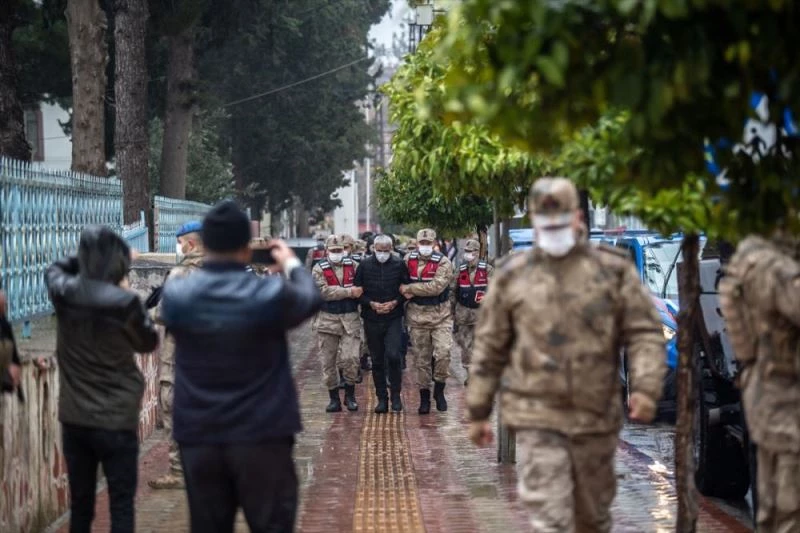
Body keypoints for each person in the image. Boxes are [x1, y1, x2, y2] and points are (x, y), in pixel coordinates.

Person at [466, 177, 666, 533]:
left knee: (592, 511)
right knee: (551, 511)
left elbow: (645, 332)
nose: (554, 227)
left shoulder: (612, 269)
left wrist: (646, 387)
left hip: (594, 412)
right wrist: (479, 409)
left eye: (561, 219)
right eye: (546, 220)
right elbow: (490, 343)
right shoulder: (514, 274)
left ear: (577, 218)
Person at [161, 201, 321, 533]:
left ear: (204, 245)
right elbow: (310, 298)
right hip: (262, 435)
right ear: (247, 249)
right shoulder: (269, 293)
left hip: (200, 436)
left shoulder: (178, 295)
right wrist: (291, 263)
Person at [45, 226, 160, 533]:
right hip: (117, 419)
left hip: (76, 418)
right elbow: (148, 342)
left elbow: (54, 268)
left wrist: (87, 258)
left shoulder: (64, 292)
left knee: (81, 505)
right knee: (121, 503)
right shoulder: (125, 302)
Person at [719, 232, 800, 533]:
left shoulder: (741, 271)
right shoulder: (777, 273)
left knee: (771, 499)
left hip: (764, 393)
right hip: (784, 397)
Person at [148, 220, 204, 490]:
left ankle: (179, 472)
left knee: (174, 410)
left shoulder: (182, 273)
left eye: (180, 243)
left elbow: (164, 313)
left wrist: (148, 309)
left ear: (190, 244)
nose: (179, 247)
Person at [354, 234, 410, 413]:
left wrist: (395, 302)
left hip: (393, 317)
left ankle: (396, 396)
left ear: (391, 249)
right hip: (371, 317)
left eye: (386, 251)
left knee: (393, 355)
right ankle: (382, 399)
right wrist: (371, 304)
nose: (383, 254)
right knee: (377, 360)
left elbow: (407, 290)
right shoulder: (364, 265)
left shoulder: (399, 264)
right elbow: (357, 291)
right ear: (373, 249)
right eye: (379, 251)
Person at [400, 228, 454, 414]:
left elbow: (436, 287)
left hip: (441, 316)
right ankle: (424, 397)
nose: (425, 246)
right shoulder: (407, 260)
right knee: (421, 360)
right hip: (417, 316)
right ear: (417, 243)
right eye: (422, 243)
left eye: (428, 243)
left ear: (434, 244)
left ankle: (439, 389)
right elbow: (399, 283)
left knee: (443, 353)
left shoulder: (443, 262)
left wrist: (410, 288)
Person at [312, 235, 362, 412]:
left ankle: (350, 395)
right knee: (328, 362)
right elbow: (323, 292)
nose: (336, 253)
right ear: (327, 251)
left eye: (339, 250)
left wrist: (353, 292)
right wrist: (349, 292)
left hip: (350, 318)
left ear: (345, 250)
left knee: (351, 358)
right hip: (327, 319)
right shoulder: (319, 268)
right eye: (333, 250)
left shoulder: (354, 266)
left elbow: (361, 288)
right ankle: (333, 398)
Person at [451, 239, 493, 387]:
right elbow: (452, 291)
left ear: (477, 252)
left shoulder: (487, 270)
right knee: (466, 346)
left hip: (482, 314)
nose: (468, 254)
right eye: (466, 251)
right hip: (463, 315)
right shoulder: (460, 270)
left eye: (470, 251)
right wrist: (451, 311)